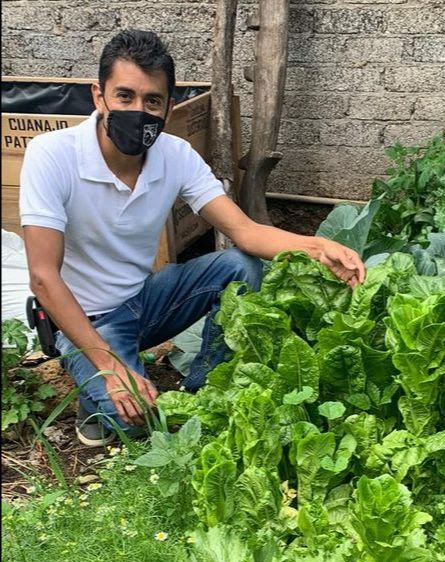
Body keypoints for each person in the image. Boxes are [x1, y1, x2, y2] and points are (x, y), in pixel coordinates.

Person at [20, 29, 365, 446]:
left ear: (168, 105)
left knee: (239, 267)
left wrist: (318, 247)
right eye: (124, 96)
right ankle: (95, 391)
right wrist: (110, 365)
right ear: (99, 96)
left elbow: (244, 232)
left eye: (152, 101)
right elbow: (43, 276)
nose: (139, 110)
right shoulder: (52, 154)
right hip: (87, 318)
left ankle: (203, 389)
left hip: (145, 300)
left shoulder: (176, 154)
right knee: (129, 421)